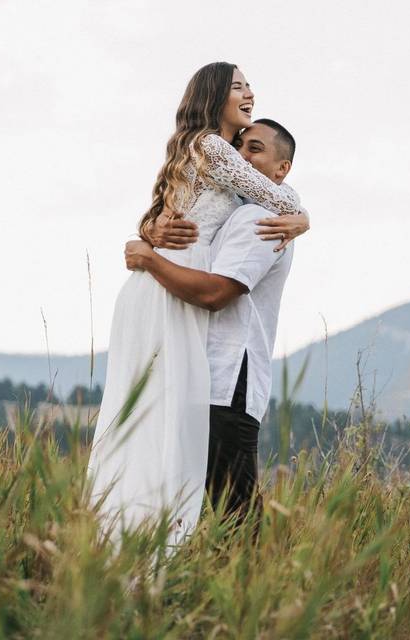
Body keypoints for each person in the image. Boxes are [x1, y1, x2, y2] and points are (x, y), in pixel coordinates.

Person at [87, 63, 310, 549]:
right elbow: (274, 193)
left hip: (189, 313)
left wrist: (148, 241)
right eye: (238, 86)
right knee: (165, 440)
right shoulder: (210, 149)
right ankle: (144, 542)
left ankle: (149, 544)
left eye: (250, 84)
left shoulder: (229, 175)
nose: (250, 92)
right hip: (170, 300)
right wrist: (302, 216)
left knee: (184, 454)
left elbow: (269, 194)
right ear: (214, 96)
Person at [125, 118, 301, 536]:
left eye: (255, 149)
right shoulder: (235, 212)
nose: (241, 158)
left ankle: (253, 596)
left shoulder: (259, 219)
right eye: (238, 147)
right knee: (197, 509)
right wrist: (152, 230)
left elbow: (216, 293)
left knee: (233, 516)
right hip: (203, 374)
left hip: (229, 380)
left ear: (282, 170)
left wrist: (150, 259)